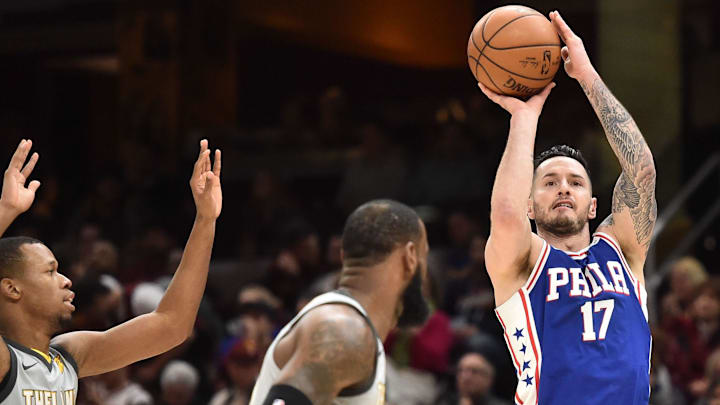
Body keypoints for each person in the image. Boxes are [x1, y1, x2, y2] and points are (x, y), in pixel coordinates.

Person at [478, 11, 656, 405]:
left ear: (593, 206)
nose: (563, 188)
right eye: (549, 182)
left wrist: (587, 76)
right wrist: (525, 117)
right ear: (529, 204)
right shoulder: (522, 263)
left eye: (575, 183)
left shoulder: (621, 251)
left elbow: (641, 170)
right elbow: (505, 216)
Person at [0, 138, 222, 403]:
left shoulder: (68, 356)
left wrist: (206, 220)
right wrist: (5, 210)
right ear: (12, 288)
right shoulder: (5, 360)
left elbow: (172, 325)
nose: (67, 281)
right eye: (50, 272)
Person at [249, 199, 431, 405]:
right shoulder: (344, 329)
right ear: (410, 256)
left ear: (344, 256)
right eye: (425, 255)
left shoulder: (355, 330)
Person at [437, 351, 509, 405]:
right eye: (461, 371)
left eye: (474, 371)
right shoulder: (444, 401)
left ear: (489, 379)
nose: (465, 377)